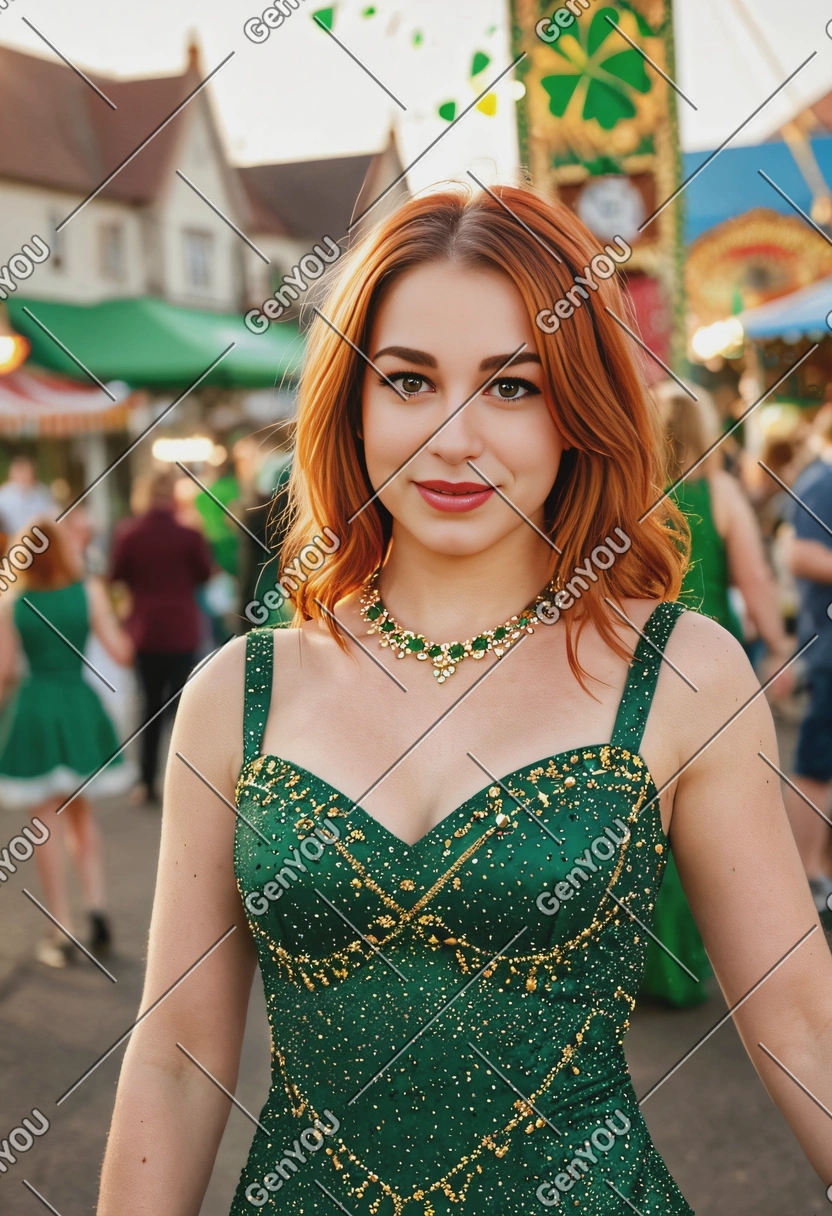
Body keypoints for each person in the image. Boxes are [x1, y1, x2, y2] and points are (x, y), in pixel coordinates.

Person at [97, 187, 832, 1214]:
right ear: (351, 400)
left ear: (579, 405)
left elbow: (797, 1017)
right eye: (407, 379)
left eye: (513, 386)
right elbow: (177, 1057)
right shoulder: (239, 691)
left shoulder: (682, 674)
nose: (453, 437)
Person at [638, 383, 796, 1006]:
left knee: (644, 814)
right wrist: (781, 644)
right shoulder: (721, 492)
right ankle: (694, 962)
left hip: (641, 668)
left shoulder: (635, 494)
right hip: (711, 674)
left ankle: (650, 963)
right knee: (712, 815)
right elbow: (756, 579)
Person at [0, 518, 133, 967]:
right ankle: (97, 909)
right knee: (81, 816)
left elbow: (3, 674)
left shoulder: (14, 603)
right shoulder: (90, 592)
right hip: (79, 706)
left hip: (35, 709)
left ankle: (62, 928)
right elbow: (120, 651)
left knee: (44, 826)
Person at [109, 468, 212, 807]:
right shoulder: (189, 534)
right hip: (182, 629)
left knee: (149, 706)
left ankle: (146, 780)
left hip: (145, 630)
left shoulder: (129, 533)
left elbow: (117, 575)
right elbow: (204, 574)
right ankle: (185, 782)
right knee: (185, 709)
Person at [782, 402, 832, 912]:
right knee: (816, 765)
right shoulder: (824, 479)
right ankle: (808, 878)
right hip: (828, 649)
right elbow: (800, 554)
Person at [0, 451, 58, 536]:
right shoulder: (3, 495)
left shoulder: (42, 493)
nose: (24, 475)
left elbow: (54, 515)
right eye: (20, 471)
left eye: (27, 471)